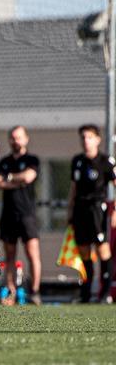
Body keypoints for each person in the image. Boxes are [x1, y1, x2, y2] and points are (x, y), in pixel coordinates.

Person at [0, 125, 42, 305]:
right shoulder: (4, 161)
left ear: (26, 139)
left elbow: (29, 177)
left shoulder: (32, 159)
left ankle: (35, 292)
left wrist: (10, 179)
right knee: (10, 255)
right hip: (8, 215)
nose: (16, 141)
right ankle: (10, 292)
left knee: (32, 254)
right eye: (13, 138)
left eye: (19, 137)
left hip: (27, 215)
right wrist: (16, 180)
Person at [68, 124, 116, 303]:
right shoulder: (77, 161)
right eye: (83, 137)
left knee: (103, 249)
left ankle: (104, 294)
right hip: (80, 209)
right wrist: (70, 211)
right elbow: (73, 188)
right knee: (84, 252)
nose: (85, 141)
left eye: (89, 137)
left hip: (98, 209)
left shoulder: (106, 161)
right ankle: (86, 294)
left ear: (97, 139)